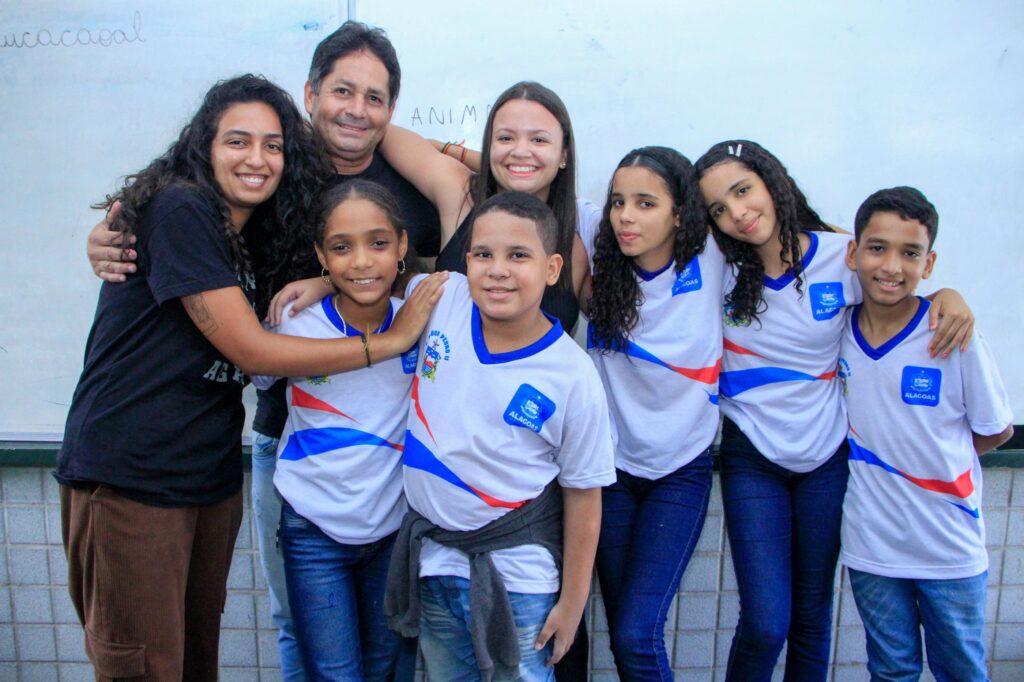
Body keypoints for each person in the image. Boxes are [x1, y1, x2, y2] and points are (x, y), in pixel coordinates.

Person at [58, 74, 446, 681]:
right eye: (237, 141)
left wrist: (327, 279)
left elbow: (339, 261)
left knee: (192, 662)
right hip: (132, 474)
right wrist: (389, 343)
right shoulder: (180, 208)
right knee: (142, 667)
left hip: (204, 474)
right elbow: (252, 350)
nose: (257, 159)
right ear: (204, 146)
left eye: (273, 146)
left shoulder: (248, 233)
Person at [695, 140, 974, 682]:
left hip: (827, 458)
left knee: (812, 615)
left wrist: (949, 294)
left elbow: (898, 281)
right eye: (719, 209)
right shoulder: (717, 266)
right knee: (766, 622)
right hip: (753, 455)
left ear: (773, 181)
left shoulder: (839, 255)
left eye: (743, 191)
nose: (737, 214)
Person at [384, 192, 615, 682]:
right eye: (484, 254)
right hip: (434, 563)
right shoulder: (443, 298)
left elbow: (584, 495)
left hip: (518, 581)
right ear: (466, 261)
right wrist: (316, 284)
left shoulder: (573, 375)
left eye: (519, 255)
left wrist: (572, 604)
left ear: (552, 269)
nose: (498, 270)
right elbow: (371, 278)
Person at [839, 186, 1013, 681]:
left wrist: (932, 464)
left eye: (910, 253)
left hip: (948, 545)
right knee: (891, 670)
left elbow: (996, 430)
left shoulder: (952, 334)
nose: (891, 266)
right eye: (877, 248)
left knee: (961, 672)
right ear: (853, 253)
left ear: (929, 263)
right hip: (872, 545)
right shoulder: (837, 330)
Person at [252, 180, 423, 680]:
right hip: (313, 528)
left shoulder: (422, 322)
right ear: (321, 256)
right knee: (334, 674)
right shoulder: (296, 322)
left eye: (379, 243)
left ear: (402, 246)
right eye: (341, 248)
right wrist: (315, 291)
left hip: (392, 529)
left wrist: (330, 282)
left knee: (382, 668)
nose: (362, 261)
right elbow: (257, 368)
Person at [584, 146, 725, 679]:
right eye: (618, 201)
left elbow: (814, 243)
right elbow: (529, 170)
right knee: (626, 635)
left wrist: (941, 294)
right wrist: (450, 147)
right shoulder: (597, 244)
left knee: (636, 633)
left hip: (680, 470)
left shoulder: (715, 256)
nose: (626, 216)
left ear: (680, 213)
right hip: (611, 471)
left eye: (646, 203)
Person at [377, 80, 593, 333]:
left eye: (538, 140)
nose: (520, 151)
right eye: (505, 138)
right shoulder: (461, 196)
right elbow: (373, 128)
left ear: (564, 154)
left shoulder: (576, 246)